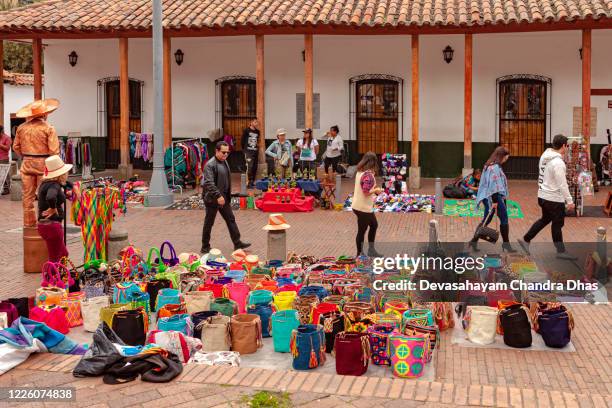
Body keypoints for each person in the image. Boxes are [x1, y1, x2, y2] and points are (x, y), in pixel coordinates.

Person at [519, 134, 577, 260]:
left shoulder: (545, 156)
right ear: (563, 146)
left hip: (543, 195)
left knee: (545, 219)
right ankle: (561, 251)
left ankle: (526, 239)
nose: (567, 149)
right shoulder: (558, 162)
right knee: (557, 224)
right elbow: (562, 184)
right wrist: (570, 201)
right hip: (554, 198)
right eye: (567, 146)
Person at [13, 99, 60, 227]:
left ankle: (28, 223)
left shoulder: (21, 128)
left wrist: (26, 156)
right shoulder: (49, 128)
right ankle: (44, 222)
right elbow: (54, 151)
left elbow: (15, 147)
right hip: (43, 164)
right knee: (44, 193)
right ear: (44, 114)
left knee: (27, 195)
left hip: (27, 163)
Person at [201, 141, 251, 254]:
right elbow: (209, 183)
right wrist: (218, 195)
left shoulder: (224, 161)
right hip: (212, 198)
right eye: (223, 152)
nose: (225, 155)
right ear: (217, 151)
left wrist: (227, 194)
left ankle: (237, 242)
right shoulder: (210, 165)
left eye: (227, 152)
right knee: (209, 222)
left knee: (230, 219)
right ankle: (205, 246)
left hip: (223, 197)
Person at [469, 147, 516, 252]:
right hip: (494, 196)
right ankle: (506, 245)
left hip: (490, 196)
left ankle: (474, 241)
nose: (506, 160)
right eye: (506, 157)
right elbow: (493, 185)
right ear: (501, 156)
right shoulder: (494, 167)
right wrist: (495, 202)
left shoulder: (490, 165)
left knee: (487, 219)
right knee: (504, 219)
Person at [37, 155, 72, 262]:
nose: (67, 174)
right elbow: (51, 197)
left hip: (44, 226)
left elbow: (65, 186)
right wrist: (53, 208)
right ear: (61, 174)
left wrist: (72, 188)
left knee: (64, 253)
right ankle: (51, 278)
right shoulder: (54, 185)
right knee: (55, 258)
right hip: (52, 227)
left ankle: (60, 276)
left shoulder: (45, 183)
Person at [351, 151, 383, 257]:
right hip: (363, 207)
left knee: (373, 225)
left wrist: (373, 189)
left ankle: (370, 250)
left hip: (358, 205)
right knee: (362, 230)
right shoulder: (368, 175)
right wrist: (376, 190)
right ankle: (360, 253)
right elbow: (366, 192)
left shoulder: (360, 172)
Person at [241, 119, 260, 188]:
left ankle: (252, 182)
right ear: (251, 123)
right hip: (248, 151)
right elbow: (242, 141)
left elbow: (258, 141)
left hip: (255, 151)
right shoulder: (246, 131)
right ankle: (248, 183)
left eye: (257, 122)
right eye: (255, 122)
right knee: (249, 167)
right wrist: (244, 150)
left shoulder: (258, 132)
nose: (256, 123)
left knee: (255, 167)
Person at [0, 125, 12, 195]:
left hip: (3, 158)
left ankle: (7, 189)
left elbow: (7, 148)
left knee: (5, 174)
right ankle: (2, 188)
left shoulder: (7, 138)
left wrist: (0, 145)